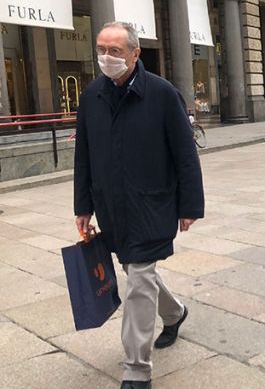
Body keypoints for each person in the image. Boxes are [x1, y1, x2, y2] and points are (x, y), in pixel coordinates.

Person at [74, 22, 204, 389]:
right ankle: (175, 313)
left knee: (139, 279)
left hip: (152, 205)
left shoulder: (162, 94)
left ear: (135, 54)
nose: (107, 57)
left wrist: (190, 205)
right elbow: (83, 156)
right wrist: (83, 207)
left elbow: (185, 154)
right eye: (101, 49)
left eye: (115, 50)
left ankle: (136, 369)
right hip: (112, 207)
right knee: (137, 272)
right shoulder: (91, 96)